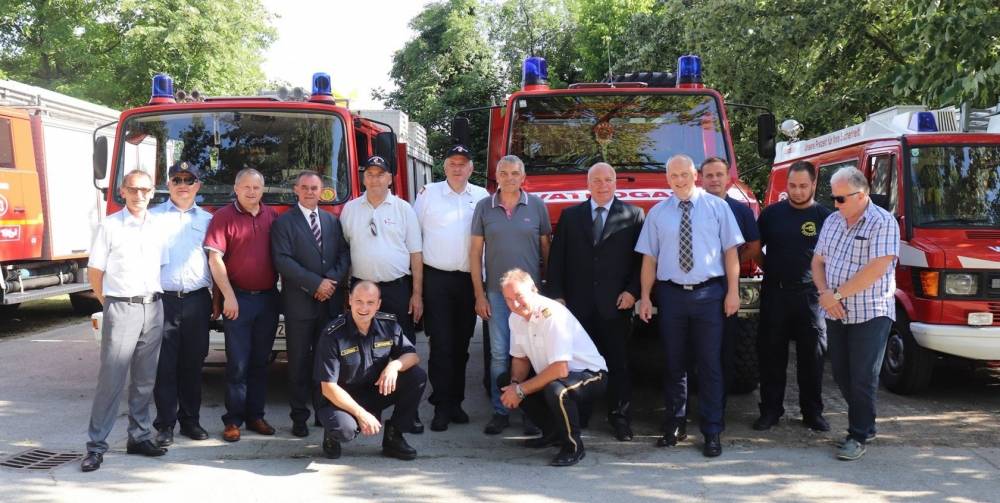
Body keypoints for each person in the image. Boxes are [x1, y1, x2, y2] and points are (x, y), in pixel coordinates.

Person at [636, 154, 744, 458]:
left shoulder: (718, 208)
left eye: (684, 174)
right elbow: (649, 259)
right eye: (674, 176)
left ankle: (712, 430)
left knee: (709, 364)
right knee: (674, 363)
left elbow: (731, 254)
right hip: (671, 296)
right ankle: (675, 423)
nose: (680, 180)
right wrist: (646, 296)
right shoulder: (658, 213)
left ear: (695, 174)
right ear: (667, 178)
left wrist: (732, 292)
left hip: (709, 294)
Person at [545, 162, 643, 441]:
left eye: (608, 180)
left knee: (618, 363)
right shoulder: (571, 216)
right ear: (588, 185)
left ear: (616, 183)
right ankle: (582, 414)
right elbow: (557, 260)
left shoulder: (633, 215)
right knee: (580, 365)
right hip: (577, 306)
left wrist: (633, 292)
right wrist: (557, 296)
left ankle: (619, 417)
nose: (602, 185)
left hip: (616, 304)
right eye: (597, 181)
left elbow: (641, 261)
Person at [81, 169, 167, 472]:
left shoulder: (158, 226)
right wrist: (108, 302)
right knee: (112, 380)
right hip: (122, 307)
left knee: (145, 380)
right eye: (133, 190)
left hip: (154, 307)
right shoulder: (110, 226)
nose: (139, 195)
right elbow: (95, 271)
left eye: (145, 190)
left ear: (153, 191)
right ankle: (96, 446)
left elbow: (163, 266)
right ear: (123, 191)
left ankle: (139, 437)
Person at [811, 166, 898, 461]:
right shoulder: (833, 221)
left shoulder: (882, 223)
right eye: (833, 198)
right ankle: (867, 424)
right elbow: (818, 261)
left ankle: (858, 434)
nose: (834, 204)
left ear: (861, 195)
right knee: (841, 374)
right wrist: (825, 293)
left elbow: (876, 270)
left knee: (863, 376)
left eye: (839, 198)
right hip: (836, 310)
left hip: (871, 311)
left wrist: (835, 295)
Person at [339, 155, 424, 432]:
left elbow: (416, 253)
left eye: (380, 174)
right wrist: (346, 293)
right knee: (362, 350)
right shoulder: (350, 209)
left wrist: (417, 294)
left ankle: (408, 414)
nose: (375, 179)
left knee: (404, 349)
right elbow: (345, 253)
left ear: (390, 178)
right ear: (363, 178)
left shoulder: (403, 209)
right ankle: (365, 409)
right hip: (362, 291)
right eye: (370, 174)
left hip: (397, 288)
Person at [470, 154, 551, 435]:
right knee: (500, 355)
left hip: (531, 298)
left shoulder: (537, 206)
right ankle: (500, 410)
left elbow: (546, 251)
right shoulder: (484, 207)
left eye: (515, 173)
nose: (509, 178)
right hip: (496, 295)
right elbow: (474, 253)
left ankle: (531, 412)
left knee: (532, 353)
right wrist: (479, 295)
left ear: (523, 176)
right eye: (504, 173)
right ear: (497, 176)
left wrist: (548, 289)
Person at [750, 161, 832, 432]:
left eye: (803, 186)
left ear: (813, 185)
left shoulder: (826, 217)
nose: (797, 191)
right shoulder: (771, 214)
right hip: (776, 293)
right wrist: (770, 268)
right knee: (771, 356)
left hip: (811, 297)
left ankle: (812, 413)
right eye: (792, 186)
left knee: (813, 359)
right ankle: (771, 411)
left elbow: (833, 258)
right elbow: (754, 249)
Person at [412, 145, 489, 431]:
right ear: (444, 167)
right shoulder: (428, 194)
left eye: (463, 164)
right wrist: (416, 287)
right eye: (453, 163)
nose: (458, 168)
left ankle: (456, 401)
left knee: (462, 345)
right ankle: (442, 405)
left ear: (471, 168)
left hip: (469, 282)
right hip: (437, 280)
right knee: (441, 344)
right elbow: (414, 237)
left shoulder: (481, 196)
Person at [498, 269, 608, 467]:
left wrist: (521, 390)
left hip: (591, 374)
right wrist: (515, 384)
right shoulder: (515, 318)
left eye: (518, 296)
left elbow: (560, 369)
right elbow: (520, 359)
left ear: (534, 289)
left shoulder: (552, 314)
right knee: (505, 381)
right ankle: (552, 433)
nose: (514, 304)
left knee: (557, 390)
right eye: (507, 299)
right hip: (555, 374)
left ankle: (573, 447)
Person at [271, 170, 351, 437]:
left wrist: (331, 283)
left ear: (321, 191)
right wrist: (316, 284)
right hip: (299, 304)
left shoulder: (331, 221)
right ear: (296, 190)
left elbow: (343, 255)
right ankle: (299, 417)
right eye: (304, 188)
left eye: (314, 188)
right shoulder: (284, 223)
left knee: (326, 362)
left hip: (329, 304)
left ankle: (323, 412)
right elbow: (283, 260)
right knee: (298, 363)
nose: (309, 192)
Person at [204, 168, 280, 443]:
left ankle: (255, 416)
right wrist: (229, 296)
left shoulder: (272, 216)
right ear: (236, 189)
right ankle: (233, 420)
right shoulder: (223, 218)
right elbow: (215, 260)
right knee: (237, 364)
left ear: (263, 190)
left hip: (269, 299)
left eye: (256, 188)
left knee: (260, 362)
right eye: (246, 187)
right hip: (238, 300)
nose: (251, 192)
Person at [313, 281, 427, 460]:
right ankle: (331, 434)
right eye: (358, 301)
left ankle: (394, 436)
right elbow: (328, 387)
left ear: (379, 304)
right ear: (349, 300)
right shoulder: (332, 334)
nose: (364, 308)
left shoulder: (387, 325)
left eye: (370, 302)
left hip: (374, 391)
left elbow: (412, 356)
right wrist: (361, 414)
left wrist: (394, 366)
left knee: (416, 376)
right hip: (340, 400)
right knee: (345, 430)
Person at [151, 162, 215, 447]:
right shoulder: (151, 218)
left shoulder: (208, 220)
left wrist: (218, 300)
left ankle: (191, 421)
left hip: (197, 300)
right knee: (164, 367)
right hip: (163, 300)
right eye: (177, 179)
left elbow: (216, 262)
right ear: (169, 184)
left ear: (198, 185)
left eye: (189, 180)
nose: (183, 184)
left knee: (193, 365)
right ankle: (165, 425)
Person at [699, 157, 762, 393]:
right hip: (696, 287)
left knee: (727, 343)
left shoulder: (741, 210)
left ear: (728, 177)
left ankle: (720, 396)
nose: (715, 179)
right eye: (709, 175)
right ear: (701, 179)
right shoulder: (691, 207)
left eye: (719, 174)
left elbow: (754, 247)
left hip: (728, 286)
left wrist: (728, 266)